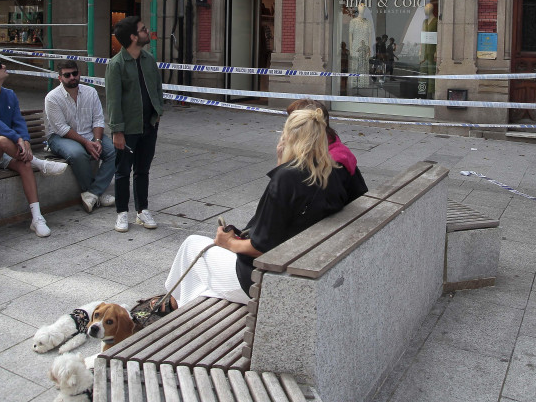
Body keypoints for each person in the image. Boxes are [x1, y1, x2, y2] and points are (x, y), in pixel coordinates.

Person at [156, 108, 353, 310]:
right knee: (200, 258)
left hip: (263, 279)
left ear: (290, 139)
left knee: (192, 245)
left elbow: (261, 247)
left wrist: (228, 242)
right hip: (301, 267)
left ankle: (172, 303)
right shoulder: (333, 172)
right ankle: (174, 302)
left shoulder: (286, 179)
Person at [0, 57, 68, 238]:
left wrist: (25, 140)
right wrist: (17, 138)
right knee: (1, 141)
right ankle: (39, 162)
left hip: (7, 152)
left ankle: (37, 218)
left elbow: (18, 121)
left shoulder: (9, 94)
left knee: (24, 164)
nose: (4, 66)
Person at [106, 16, 164, 233]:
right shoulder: (116, 65)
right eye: (142, 29)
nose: (146, 31)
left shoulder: (149, 59)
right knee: (122, 170)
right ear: (132, 37)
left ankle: (142, 210)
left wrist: (158, 112)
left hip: (149, 125)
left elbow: (157, 87)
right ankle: (122, 213)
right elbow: (113, 100)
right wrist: (117, 131)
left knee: (143, 170)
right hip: (127, 128)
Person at [44, 60, 117, 213]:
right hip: (60, 137)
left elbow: (98, 119)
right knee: (78, 153)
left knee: (114, 150)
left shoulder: (90, 92)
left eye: (75, 73)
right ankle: (96, 192)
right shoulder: (52, 98)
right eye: (67, 75)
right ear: (60, 78)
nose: (72, 77)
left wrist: (97, 140)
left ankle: (92, 193)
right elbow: (61, 128)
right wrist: (86, 143)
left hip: (89, 134)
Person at [284, 98, 367, 202]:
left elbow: (285, 198)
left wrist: (281, 160)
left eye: (294, 123)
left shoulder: (325, 162)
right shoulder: (334, 147)